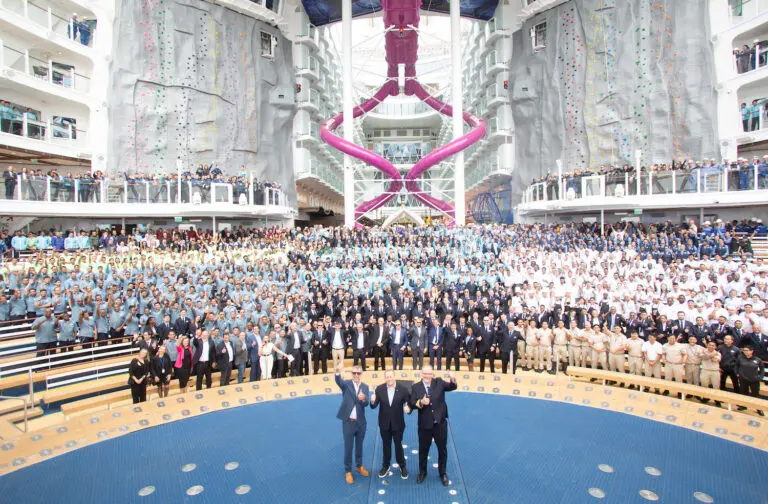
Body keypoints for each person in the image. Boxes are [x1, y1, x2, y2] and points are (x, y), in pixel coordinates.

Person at [408, 365, 457, 486]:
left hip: (440, 424)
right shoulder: (415, 387)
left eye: (429, 374)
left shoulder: (439, 382)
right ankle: (422, 472)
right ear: (421, 374)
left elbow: (452, 387)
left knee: (442, 449)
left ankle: (442, 473)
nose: (427, 376)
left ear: (432, 374)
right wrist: (421, 402)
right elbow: (412, 403)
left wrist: (453, 379)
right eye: (425, 373)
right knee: (423, 450)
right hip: (425, 425)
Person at [370, 370, 411, 479]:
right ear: (385, 378)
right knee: (386, 445)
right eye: (387, 377)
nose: (389, 378)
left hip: (398, 423)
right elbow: (373, 406)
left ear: (394, 376)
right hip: (384, 424)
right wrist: (372, 400)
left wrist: (409, 408)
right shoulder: (379, 389)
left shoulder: (403, 389)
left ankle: (402, 466)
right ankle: (386, 466)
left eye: (390, 376)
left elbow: (409, 403)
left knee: (398, 445)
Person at [335, 363, 370, 484]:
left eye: (358, 373)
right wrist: (337, 371)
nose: (356, 375)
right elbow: (338, 381)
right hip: (348, 423)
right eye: (353, 373)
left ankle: (359, 466)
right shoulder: (346, 384)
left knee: (359, 446)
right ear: (351, 374)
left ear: (361, 374)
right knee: (348, 447)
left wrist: (364, 399)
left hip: (361, 423)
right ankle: (348, 471)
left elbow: (366, 403)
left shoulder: (365, 387)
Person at [735, 346, 765, 416]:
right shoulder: (740, 358)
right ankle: (743, 406)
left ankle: (758, 408)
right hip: (743, 379)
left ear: (751, 351)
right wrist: (737, 373)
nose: (745, 352)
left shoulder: (757, 360)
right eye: (744, 350)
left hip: (754, 380)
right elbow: (736, 365)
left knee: (755, 394)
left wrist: (760, 377)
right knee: (743, 393)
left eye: (747, 350)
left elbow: (762, 369)